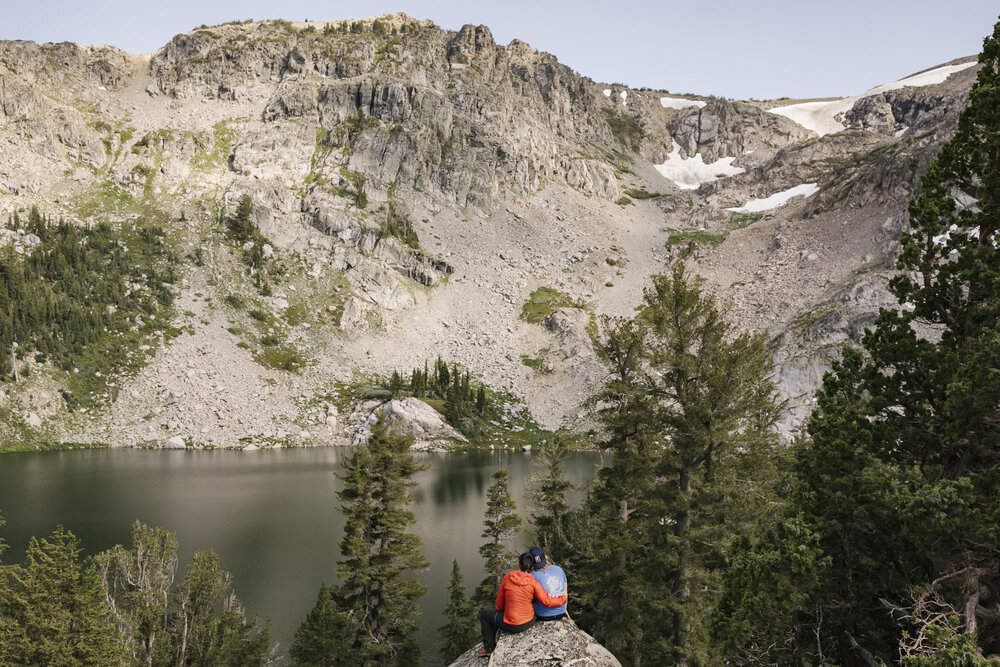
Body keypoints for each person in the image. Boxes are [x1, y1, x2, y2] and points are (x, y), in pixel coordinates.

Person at [478, 552, 567, 656]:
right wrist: (563, 599)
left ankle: (489, 648)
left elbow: (500, 604)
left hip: (510, 624)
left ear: (518, 565)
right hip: (529, 622)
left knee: (485, 614)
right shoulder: (533, 581)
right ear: (530, 567)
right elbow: (546, 600)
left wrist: (503, 614)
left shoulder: (507, 578)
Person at [528, 546, 567, 621]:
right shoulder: (559, 569)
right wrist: (564, 609)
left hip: (542, 615)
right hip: (560, 613)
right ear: (545, 557)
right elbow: (565, 592)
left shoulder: (530, 575)